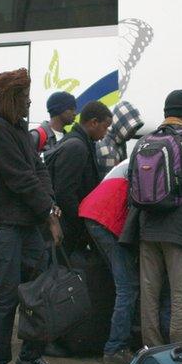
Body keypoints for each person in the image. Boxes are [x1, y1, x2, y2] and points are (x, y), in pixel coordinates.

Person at [0, 68, 63, 364]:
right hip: (0, 222)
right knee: (7, 293)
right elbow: (19, 177)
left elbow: (37, 169)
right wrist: (48, 214)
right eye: (24, 97)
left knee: (38, 289)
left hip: (24, 220)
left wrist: (49, 204)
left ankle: (29, 357)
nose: (29, 102)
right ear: (11, 98)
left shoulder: (18, 128)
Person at [120, 89, 182, 348]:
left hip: (147, 229)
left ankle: (151, 349)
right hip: (180, 232)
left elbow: (132, 187)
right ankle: (181, 350)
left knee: (149, 294)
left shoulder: (143, 143)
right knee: (181, 295)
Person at [78, 159, 139, 364]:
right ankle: (115, 348)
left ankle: (111, 339)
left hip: (94, 212)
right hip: (107, 217)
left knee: (121, 283)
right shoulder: (157, 157)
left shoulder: (139, 153)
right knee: (128, 287)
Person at [46, 100, 112, 253]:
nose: (106, 132)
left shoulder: (80, 142)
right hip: (67, 228)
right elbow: (64, 193)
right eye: (105, 127)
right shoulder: (77, 147)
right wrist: (81, 224)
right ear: (94, 123)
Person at [94, 100, 143, 177]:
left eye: (136, 128)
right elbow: (110, 184)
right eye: (131, 128)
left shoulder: (119, 141)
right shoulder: (109, 151)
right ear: (120, 126)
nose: (134, 132)